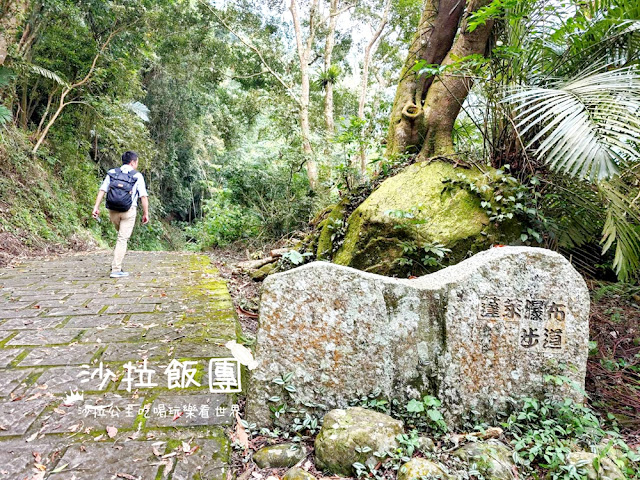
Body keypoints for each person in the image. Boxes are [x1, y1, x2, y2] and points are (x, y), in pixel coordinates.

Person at [92, 151, 149, 278]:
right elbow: (143, 196)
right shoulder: (137, 176)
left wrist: (96, 207)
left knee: (120, 236)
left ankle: (117, 263)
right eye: (137, 162)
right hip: (129, 211)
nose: (137, 165)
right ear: (133, 162)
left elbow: (102, 190)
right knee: (122, 239)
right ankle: (116, 269)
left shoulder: (112, 173)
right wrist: (146, 213)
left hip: (113, 211)